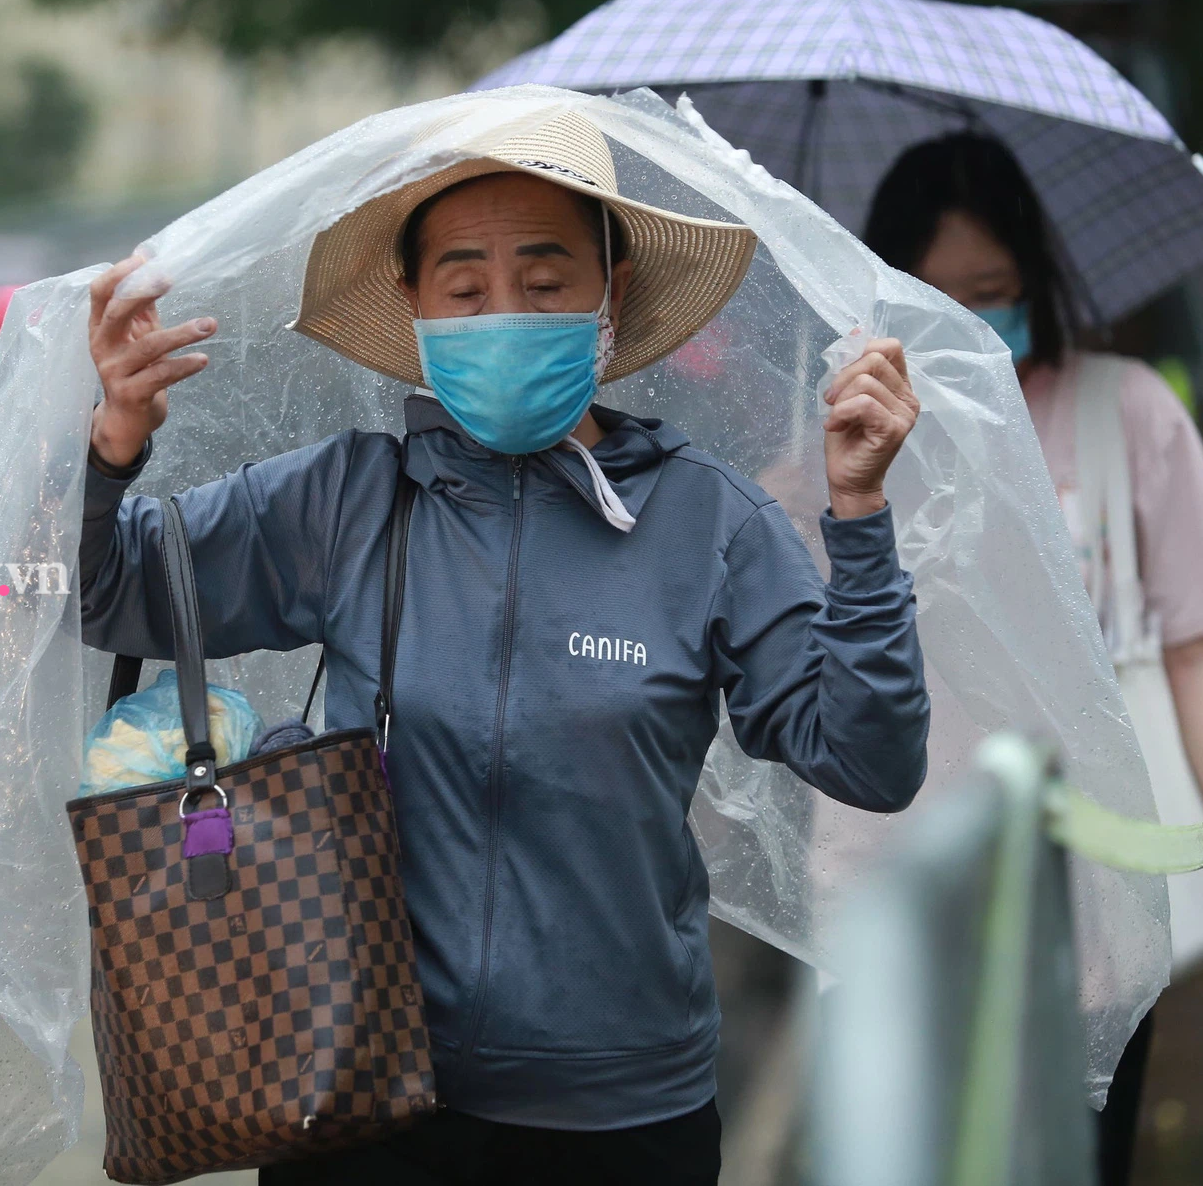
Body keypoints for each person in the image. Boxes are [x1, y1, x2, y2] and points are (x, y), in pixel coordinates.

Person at [75, 113, 933, 1185]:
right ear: (415, 305)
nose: (505, 314)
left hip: (621, 1118)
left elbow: (868, 760)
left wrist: (858, 516)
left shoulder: (710, 523)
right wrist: (112, 443)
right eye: (465, 287)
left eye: (544, 280)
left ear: (611, 294)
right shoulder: (346, 499)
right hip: (357, 1093)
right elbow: (106, 594)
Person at [865, 132, 1203, 1186]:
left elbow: (1195, 655)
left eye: (993, 292)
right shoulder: (855, 429)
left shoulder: (1130, 414)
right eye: (937, 296)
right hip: (907, 889)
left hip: (1099, 916)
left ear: (1037, 279)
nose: (969, 319)